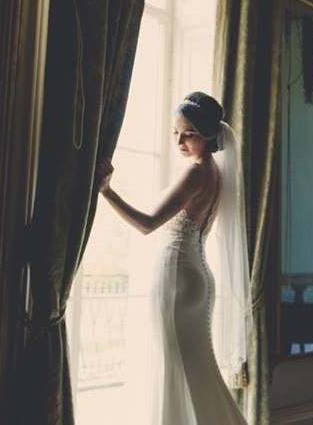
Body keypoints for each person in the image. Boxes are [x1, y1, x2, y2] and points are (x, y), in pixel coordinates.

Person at [95, 92, 250, 425]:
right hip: (198, 275)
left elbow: (147, 223)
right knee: (196, 367)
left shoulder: (196, 172)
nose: (180, 141)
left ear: (208, 135)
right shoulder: (215, 172)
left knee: (175, 367)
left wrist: (106, 190)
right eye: (175, 132)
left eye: (189, 134)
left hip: (178, 275)